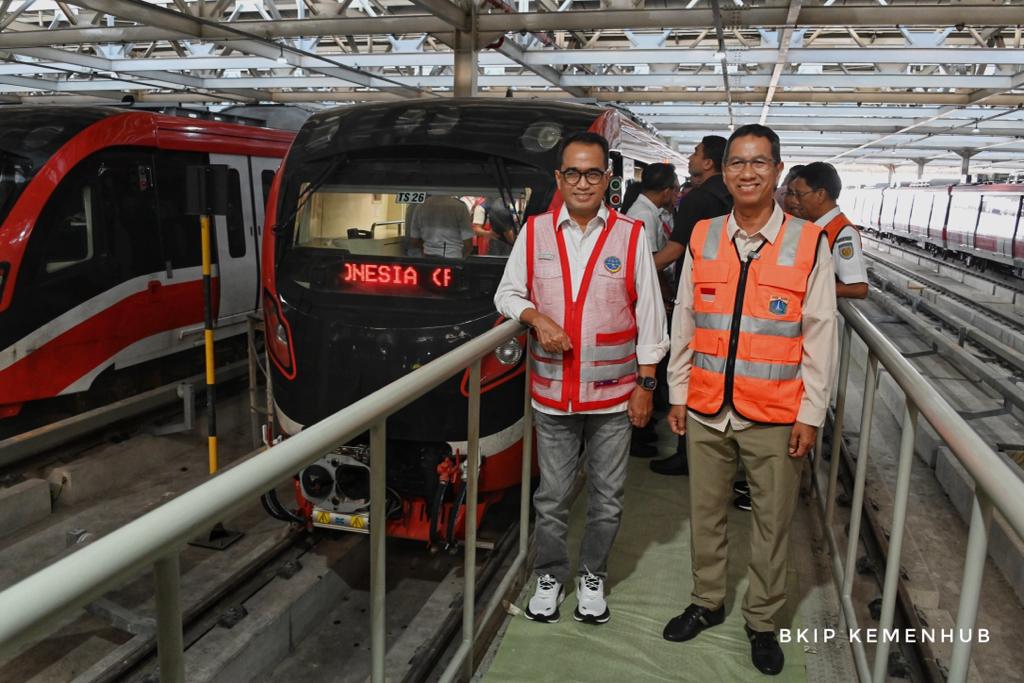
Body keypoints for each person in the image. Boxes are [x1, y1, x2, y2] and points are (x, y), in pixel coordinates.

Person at [662, 124, 837, 676]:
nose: (746, 172)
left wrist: (810, 414)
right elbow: (685, 318)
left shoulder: (809, 244)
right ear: (725, 170)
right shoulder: (703, 236)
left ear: (778, 171)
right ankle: (707, 601)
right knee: (705, 514)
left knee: (772, 523)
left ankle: (762, 622)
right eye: (736, 162)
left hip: (776, 414)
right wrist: (678, 390)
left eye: (759, 162)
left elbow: (820, 334)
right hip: (709, 405)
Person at [494, 131, 668, 625]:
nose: (583, 182)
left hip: (615, 398)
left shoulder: (631, 235)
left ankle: (593, 575)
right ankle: (549, 575)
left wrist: (646, 386)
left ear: (607, 179)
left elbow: (651, 317)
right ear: (559, 178)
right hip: (553, 396)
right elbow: (507, 293)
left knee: (607, 499)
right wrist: (534, 317)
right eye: (573, 172)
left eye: (593, 173)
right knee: (551, 497)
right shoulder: (536, 233)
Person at [649, 135, 731, 477]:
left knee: (689, 369)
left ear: (708, 162)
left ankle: (686, 453)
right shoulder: (728, 196)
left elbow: (674, 249)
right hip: (725, 293)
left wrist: (635, 272)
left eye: (696, 152)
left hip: (697, 292)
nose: (692, 156)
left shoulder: (697, 199)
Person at [790, 162, 869, 299]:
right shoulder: (814, 226)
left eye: (799, 195)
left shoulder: (843, 233)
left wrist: (804, 286)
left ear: (820, 194)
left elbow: (858, 288)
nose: (794, 201)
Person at [408, 195, 473, 257]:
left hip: (428, 256)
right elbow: (468, 244)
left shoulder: (420, 207)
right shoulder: (460, 206)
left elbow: (414, 241)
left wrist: (427, 247)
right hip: (453, 256)